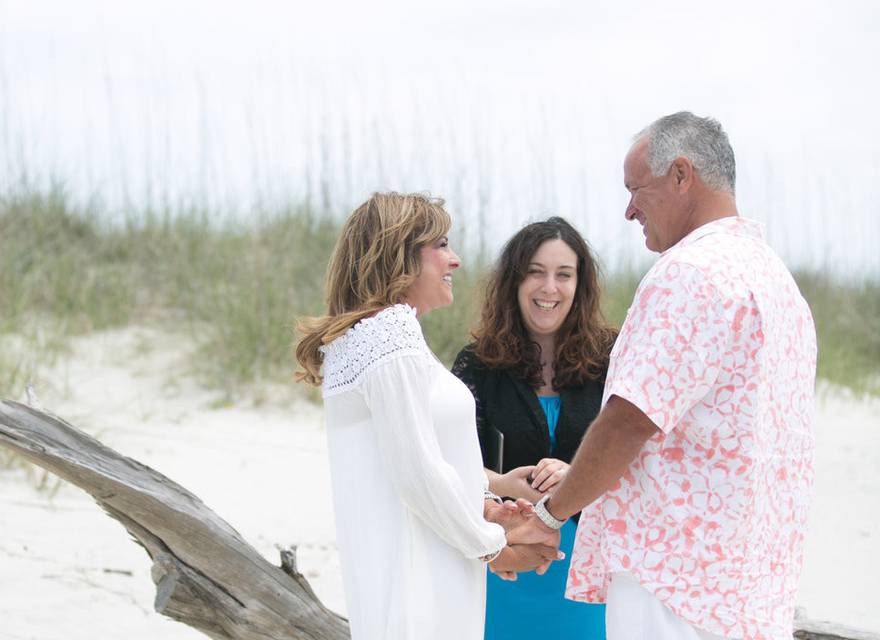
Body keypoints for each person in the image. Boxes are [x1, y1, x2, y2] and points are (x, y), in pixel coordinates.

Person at [508, 112, 818, 640]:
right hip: (749, 592)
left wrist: (551, 514)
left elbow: (630, 419)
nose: (629, 210)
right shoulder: (777, 283)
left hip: (676, 584)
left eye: (636, 190)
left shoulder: (690, 274)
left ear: (680, 175)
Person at [294, 192, 559, 640]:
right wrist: (493, 548)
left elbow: (406, 457)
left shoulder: (369, 340)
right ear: (398, 253)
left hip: (426, 564)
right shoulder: (387, 335)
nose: (454, 260)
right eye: (440, 245)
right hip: (420, 580)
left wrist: (490, 496)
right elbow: (417, 473)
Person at [452, 216, 614, 638]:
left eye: (564, 275)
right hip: (503, 561)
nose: (549, 288)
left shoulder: (611, 360)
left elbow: (635, 456)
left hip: (588, 573)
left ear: (581, 286)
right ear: (514, 282)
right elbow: (455, 465)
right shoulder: (478, 365)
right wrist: (506, 484)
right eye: (535, 273)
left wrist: (578, 476)